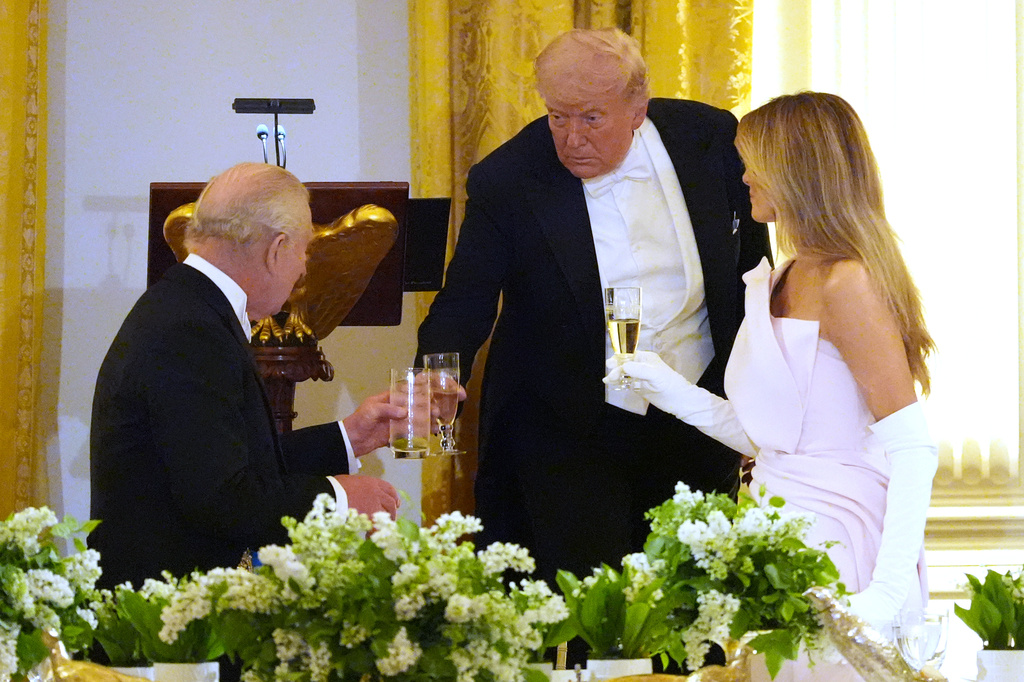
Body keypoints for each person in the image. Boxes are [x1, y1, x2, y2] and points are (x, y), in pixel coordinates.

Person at [415, 27, 770, 591]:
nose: (571, 138)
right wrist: (434, 374)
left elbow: (753, 265)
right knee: (595, 608)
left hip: (697, 409)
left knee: (690, 602)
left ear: (638, 107)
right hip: (571, 420)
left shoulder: (709, 138)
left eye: (591, 118)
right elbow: (465, 298)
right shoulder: (508, 178)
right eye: (558, 116)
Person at [610, 92, 937, 674]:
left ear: (795, 169)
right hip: (771, 526)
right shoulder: (785, 273)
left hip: (839, 535)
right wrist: (666, 387)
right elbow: (772, 435)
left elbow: (914, 447)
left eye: (752, 162)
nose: (743, 177)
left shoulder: (846, 281)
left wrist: (885, 595)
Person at [91, 162, 403, 590]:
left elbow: (229, 464)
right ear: (276, 250)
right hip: (166, 625)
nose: (303, 270)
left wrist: (351, 437)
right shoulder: (189, 329)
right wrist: (342, 499)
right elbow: (222, 499)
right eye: (303, 251)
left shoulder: (188, 309)